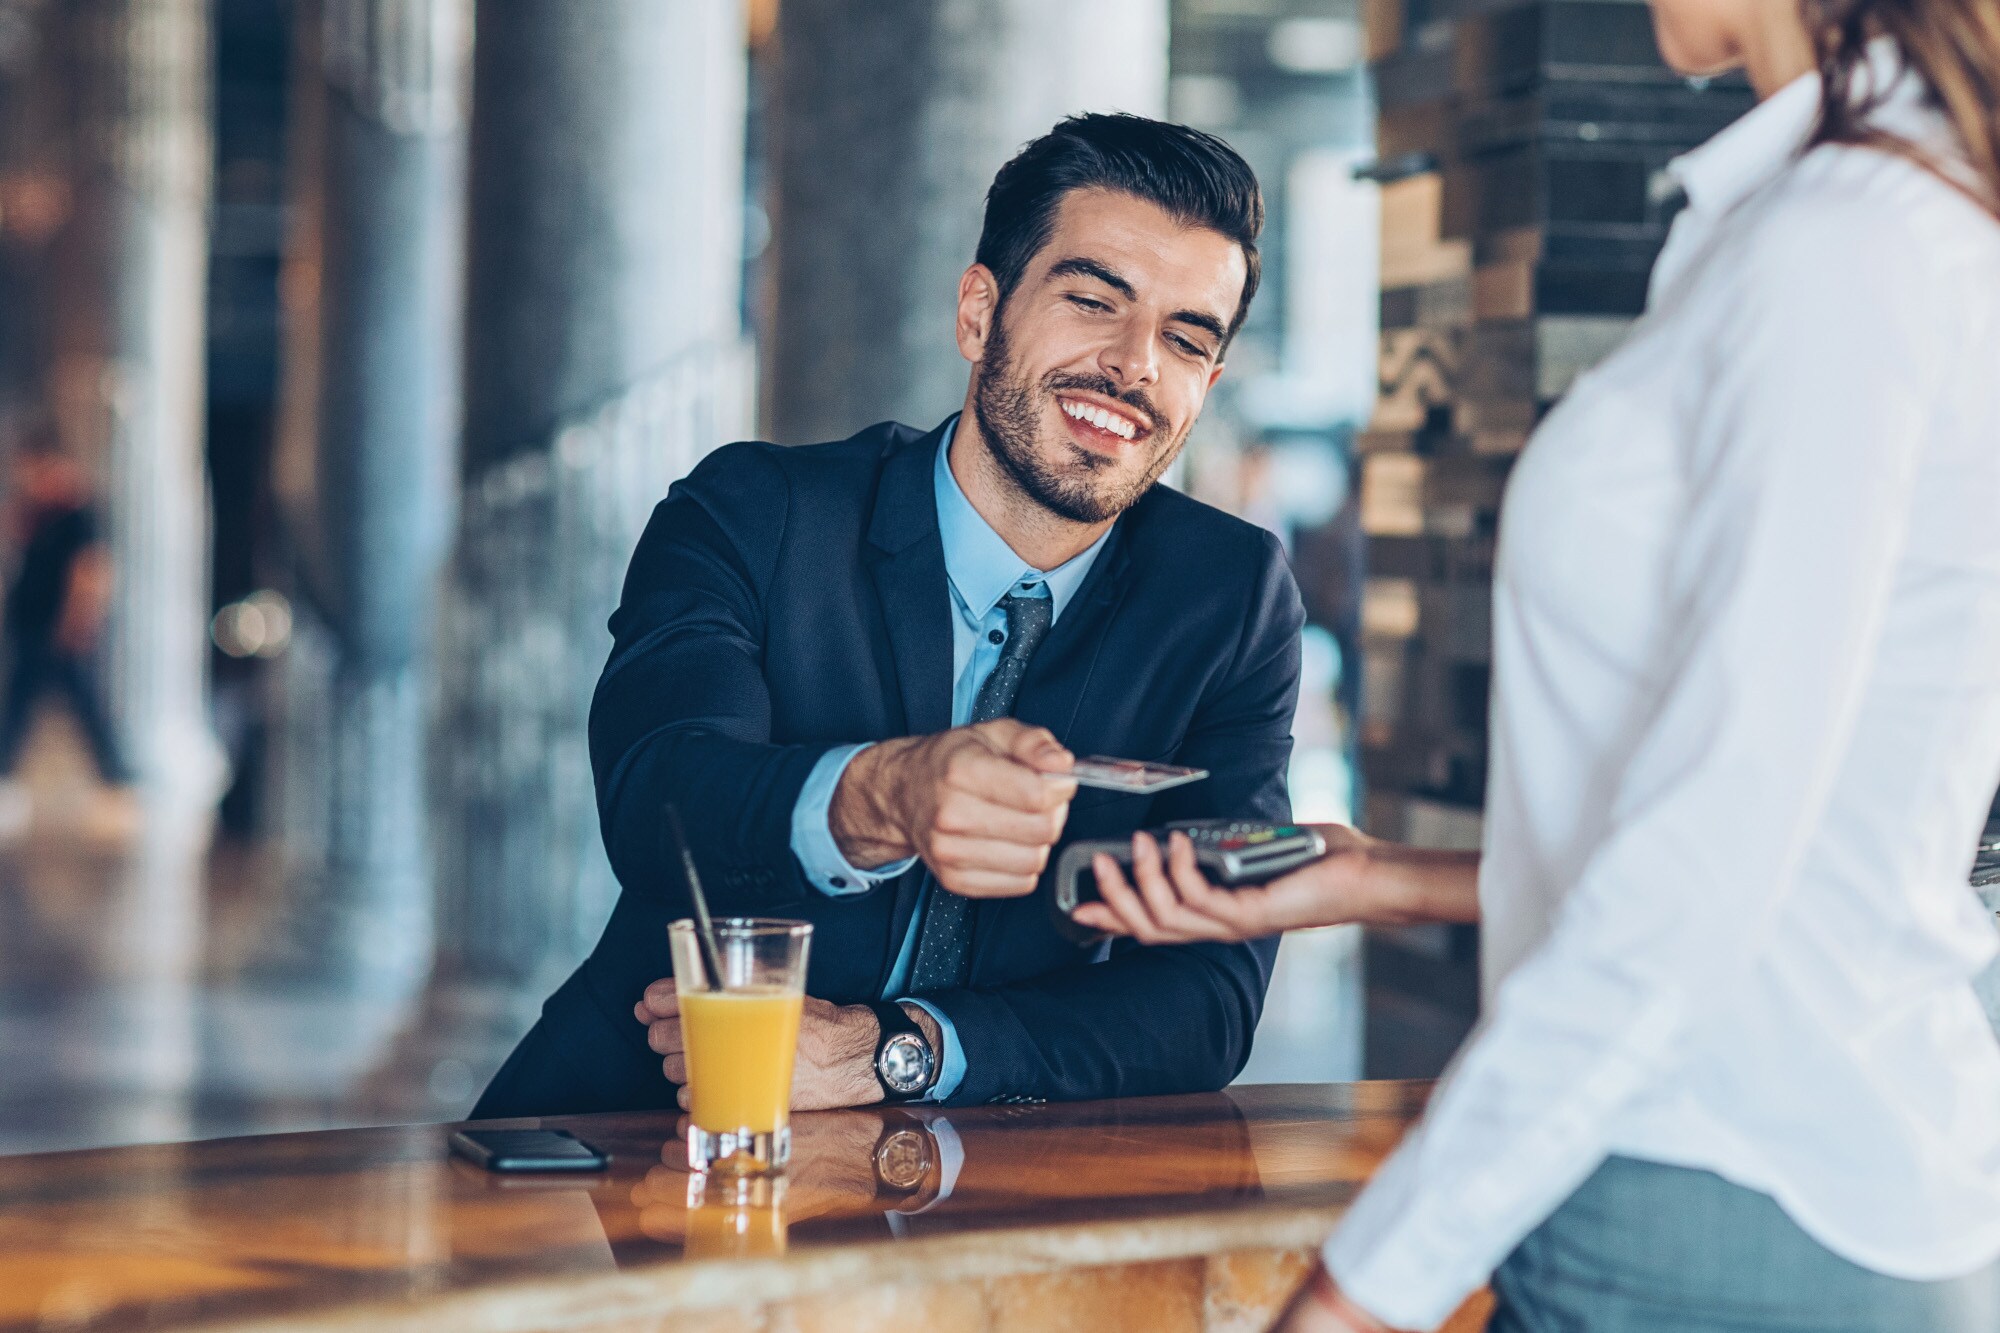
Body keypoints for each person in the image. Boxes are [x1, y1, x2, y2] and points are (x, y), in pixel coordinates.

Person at [1081, 0, 2000, 1328]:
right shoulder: (1856, 218)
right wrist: (1386, 878)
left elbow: (1716, 852)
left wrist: (1358, 1291)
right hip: (1751, 1181)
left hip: (1708, 1192)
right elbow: (1800, 821)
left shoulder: (1845, 246)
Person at [471, 113, 1305, 1119]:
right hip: (645, 1129)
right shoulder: (753, 511)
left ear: (1207, 386)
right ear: (977, 313)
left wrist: (897, 1051)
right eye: (1092, 300)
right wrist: (881, 794)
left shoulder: (1228, 594)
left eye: (1184, 340)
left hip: (987, 1190)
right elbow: (658, 799)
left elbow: (1206, 999)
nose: (1134, 367)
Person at [0, 430, 129, 832]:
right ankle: (116, 781)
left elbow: (90, 573)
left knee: (80, 707)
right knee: (25, 707)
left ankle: (118, 784)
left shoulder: (78, 515)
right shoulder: (42, 515)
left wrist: (77, 623)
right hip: (32, 627)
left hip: (56, 631)